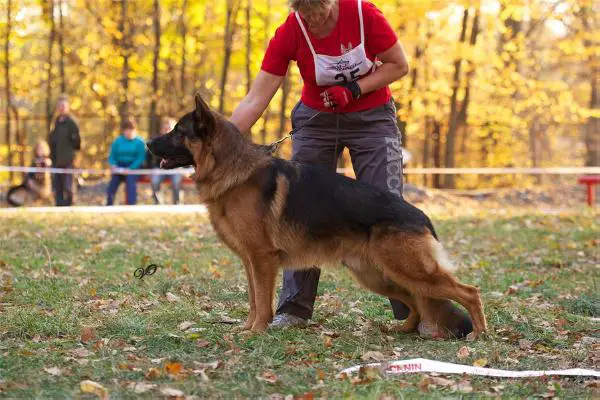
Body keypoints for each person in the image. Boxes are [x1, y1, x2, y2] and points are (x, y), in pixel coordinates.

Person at [230, 0, 473, 337]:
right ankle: (294, 309)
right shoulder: (290, 31)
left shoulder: (364, 15)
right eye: (306, 13)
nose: (314, 20)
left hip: (373, 119)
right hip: (316, 121)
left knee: (387, 209)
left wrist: (355, 88)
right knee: (299, 211)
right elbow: (256, 98)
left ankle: (425, 311)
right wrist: (222, 145)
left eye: (321, 12)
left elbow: (399, 65)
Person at [48, 94, 81, 206]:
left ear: (68, 107)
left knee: (68, 185)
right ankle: (59, 205)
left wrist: (74, 156)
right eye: (59, 105)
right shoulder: (55, 122)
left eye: (63, 105)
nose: (61, 108)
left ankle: (70, 204)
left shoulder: (71, 123)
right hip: (57, 159)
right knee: (58, 185)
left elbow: (77, 142)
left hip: (68, 159)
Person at [106, 117, 146, 205]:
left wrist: (131, 168)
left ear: (135, 130)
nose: (128, 132)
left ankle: (131, 205)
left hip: (134, 168)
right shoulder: (118, 141)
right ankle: (109, 204)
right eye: (126, 130)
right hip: (119, 166)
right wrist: (113, 165)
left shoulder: (140, 142)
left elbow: (140, 158)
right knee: (113, 182)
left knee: (130, 181)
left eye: (131, 130)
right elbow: (112, 156)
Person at [150, 118, 184, 205]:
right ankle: (158, 203)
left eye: (170, 129)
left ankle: (177, 203)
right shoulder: (156, 141)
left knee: (176, 181)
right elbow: (150, 156)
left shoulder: (181, 141)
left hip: (175, 169)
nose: (167, 131)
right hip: (160, 168)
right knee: (155, 181)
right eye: (165, 129)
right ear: (162, 129)